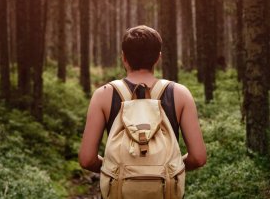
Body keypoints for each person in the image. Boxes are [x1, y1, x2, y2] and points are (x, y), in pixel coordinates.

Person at [78, 25, 206, 174]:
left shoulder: (103, 95)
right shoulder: (180, 94)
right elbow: (198, 158)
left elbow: (87, 159)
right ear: (158, 58)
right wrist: (169, 168)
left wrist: (115, 170)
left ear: (124, 57)